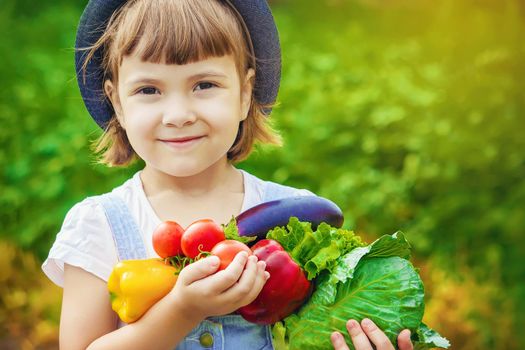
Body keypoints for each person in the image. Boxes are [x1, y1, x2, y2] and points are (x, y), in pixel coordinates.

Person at [42, 0, 413, 349]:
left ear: (245, 93)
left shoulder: (298, 219)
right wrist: (183, 310)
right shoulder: (99, 225)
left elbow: (323, 328)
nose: (178, 114)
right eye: (149, 89)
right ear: (117, 103)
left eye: (204, 85)